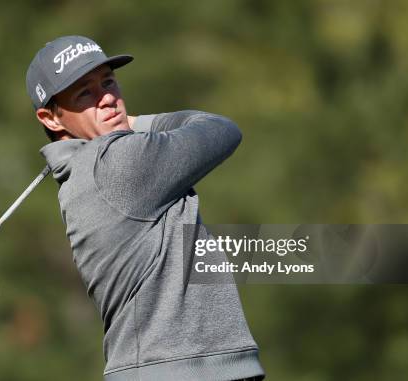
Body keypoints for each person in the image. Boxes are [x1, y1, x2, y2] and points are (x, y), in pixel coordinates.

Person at [26, 35, 265, 381]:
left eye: (108, 82)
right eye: (84, 93)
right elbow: (221, 130)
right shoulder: (117, 163)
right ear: (50, 118)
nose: (107, 98)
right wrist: (134, 121)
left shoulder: (86, 171)